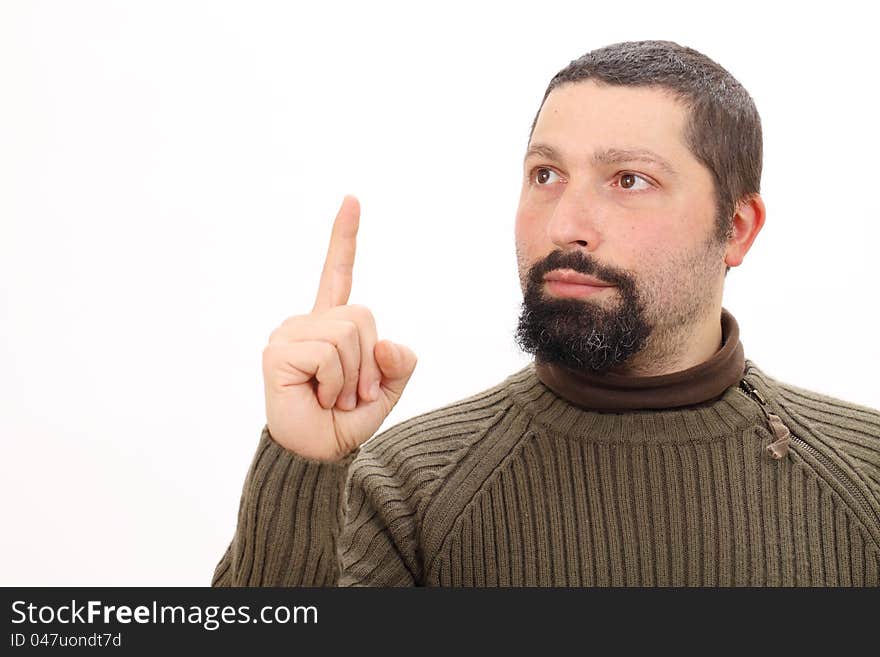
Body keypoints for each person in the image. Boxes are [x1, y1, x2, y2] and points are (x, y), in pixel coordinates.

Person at [212, 40, 880, 586]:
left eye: (629, 180)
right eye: (545, 175)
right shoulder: (407, 489)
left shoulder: (866, 472)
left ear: (736, 227)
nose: (565, 224)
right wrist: (303, 464)